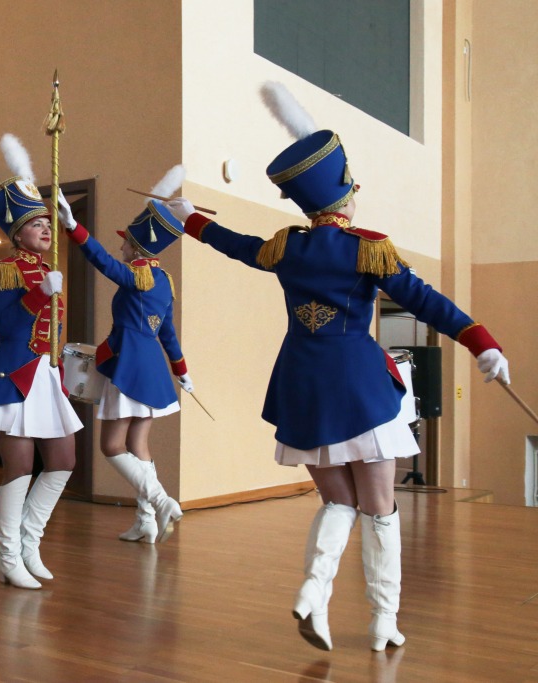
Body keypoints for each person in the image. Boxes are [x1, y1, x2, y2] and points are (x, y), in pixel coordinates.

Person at [164, 82, 510, 652]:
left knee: (337, 502)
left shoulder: (286, 248)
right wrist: (482, 343)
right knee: (380, 507)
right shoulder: (368, 247)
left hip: (302, 386)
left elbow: (237, 244)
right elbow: (426, 302)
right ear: (345, 196)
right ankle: (382, 621)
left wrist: (188, 219)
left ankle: (313, 591)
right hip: (357, 387)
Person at [0, 134, 82, 590]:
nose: (45, 229)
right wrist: (39, 294)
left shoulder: (46, 268)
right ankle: (7, 557)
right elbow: (5, 326)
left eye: (47, 223)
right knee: (17, 468)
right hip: (14, 376)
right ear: (17, 233)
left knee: (63, 461)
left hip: (47, 376)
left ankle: (29, 542)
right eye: (36, 224)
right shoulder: (9, 269)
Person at [56, 179, 191, 544]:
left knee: (111, 446)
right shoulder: (163, 280)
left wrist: (73, 226)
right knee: (139, 446)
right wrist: (181, 370)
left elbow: (102, 261)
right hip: (153, 371)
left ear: (137, 247)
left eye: (126, 243)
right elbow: (167, 332)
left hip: (129, 367)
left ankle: (161, 502)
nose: (121, 247)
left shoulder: (137, 276)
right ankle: (146, 520)